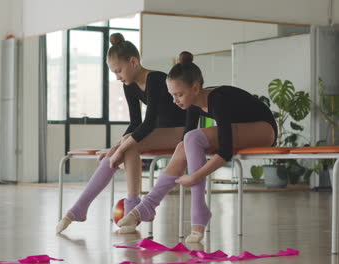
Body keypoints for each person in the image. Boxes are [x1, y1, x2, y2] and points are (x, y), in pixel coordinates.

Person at [117, 51, 277, 243]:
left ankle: (198, 212)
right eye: (172, 95)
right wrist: (183, 158)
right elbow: (185, 142)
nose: (175, 101)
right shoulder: (192, 105)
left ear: (195, 88)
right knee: (185, 145)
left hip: (264, 129)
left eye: (179, 95)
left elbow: (225, 151)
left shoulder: (218, 99)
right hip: (244, 129)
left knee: (192, 138)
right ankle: (147, 206)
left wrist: (194, 176)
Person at [56, 34, 188, 233]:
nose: (117, 76)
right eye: (114, 72)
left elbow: (149, 122)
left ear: (133, 62)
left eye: (118, 71)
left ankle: (87, 208)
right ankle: (90, 207)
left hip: (179, 132)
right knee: (127, 145)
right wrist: (116, 147)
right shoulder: (130, 86)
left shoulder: (156, 79)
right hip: (158, 133)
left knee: (128, 145)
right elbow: (135, 123)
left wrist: (119, 148)